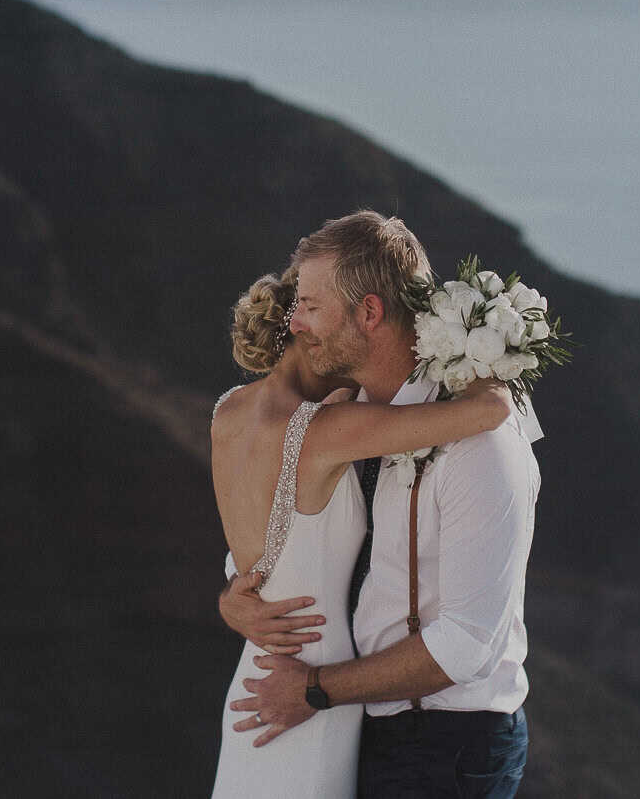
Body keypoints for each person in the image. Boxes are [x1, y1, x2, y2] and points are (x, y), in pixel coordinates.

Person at [218, 211, 543, 798]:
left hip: (448, 742)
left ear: (368, 312)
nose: (296, 322)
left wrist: (315, 688)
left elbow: (468, 643)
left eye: (312, 306)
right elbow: (284, 536)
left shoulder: (480, 442)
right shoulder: (344, 417)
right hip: (356, 721)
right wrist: (236, 598)